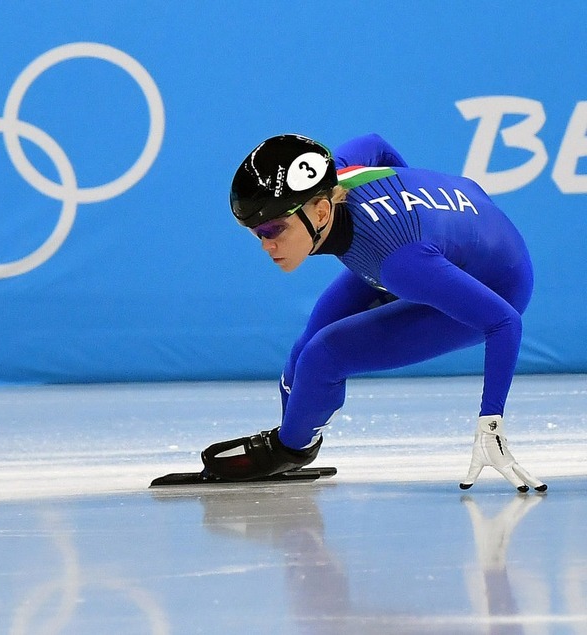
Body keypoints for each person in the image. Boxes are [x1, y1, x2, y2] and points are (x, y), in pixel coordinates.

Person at [201, 133, 546, 492]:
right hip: (437, 246)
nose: (266, 245)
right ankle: (297, 438)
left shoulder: (402, 264)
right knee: (305, 347)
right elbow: (374, 143)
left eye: (275, 229)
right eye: (256, 233)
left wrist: (491, 422)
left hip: (496, 286)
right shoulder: (335, 174)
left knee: (324, 355)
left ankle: (289, 448)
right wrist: (415, 225)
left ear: (321, 211)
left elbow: (505, 321)